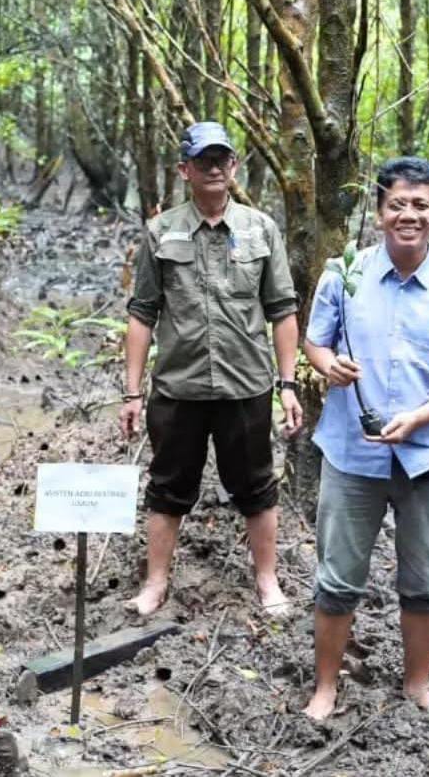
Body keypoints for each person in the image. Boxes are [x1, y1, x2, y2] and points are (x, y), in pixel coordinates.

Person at [300, 157, 429, 721]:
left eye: (420, 205)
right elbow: (314, 343)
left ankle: (419, 686)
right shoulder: (345, 273)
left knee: (424, 581)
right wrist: (327, 365)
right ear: (379, 211)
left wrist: (419, 418)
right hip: (351, 452)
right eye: (397, 204)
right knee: (338, 579)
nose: (407, 215)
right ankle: (325, 688)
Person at [120, 121, 303, 618]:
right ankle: (155, 582)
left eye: (223, 159)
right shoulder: (161, 231)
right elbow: (142, 313)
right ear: (186, 170)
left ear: (235, 166)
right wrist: (132, 393)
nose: (215, 167)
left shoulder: (260, 229)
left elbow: (282, 310)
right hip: (179, 387)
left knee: (257, 484)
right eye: (204, 161)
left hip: (245, 385)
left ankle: (267, 580)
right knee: (167, 485)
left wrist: (287, 385)